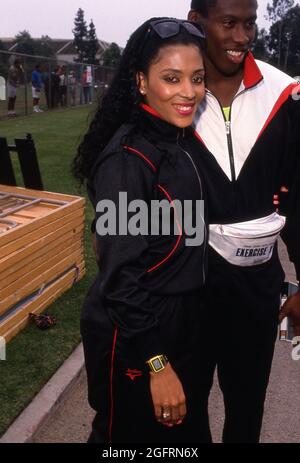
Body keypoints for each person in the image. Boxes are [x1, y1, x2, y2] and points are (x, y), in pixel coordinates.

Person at [73, 18, 210, 443]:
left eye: (197, 78)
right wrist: (157, 364)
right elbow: (120, 277)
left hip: (180, 325)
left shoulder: (179, 140)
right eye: (171, 78)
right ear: (141, 81)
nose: (188, 92)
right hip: (136, 335)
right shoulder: (127, 160)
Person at [186, 0, 300, 443]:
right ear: (197, 22)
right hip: (186, 290)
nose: (241, 37)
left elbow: (299, 196)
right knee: (185, 413)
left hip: (255, 291)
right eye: (228, 23)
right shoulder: (173, 91)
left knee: (247, 410)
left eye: (249, 23)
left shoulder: (282, 94)